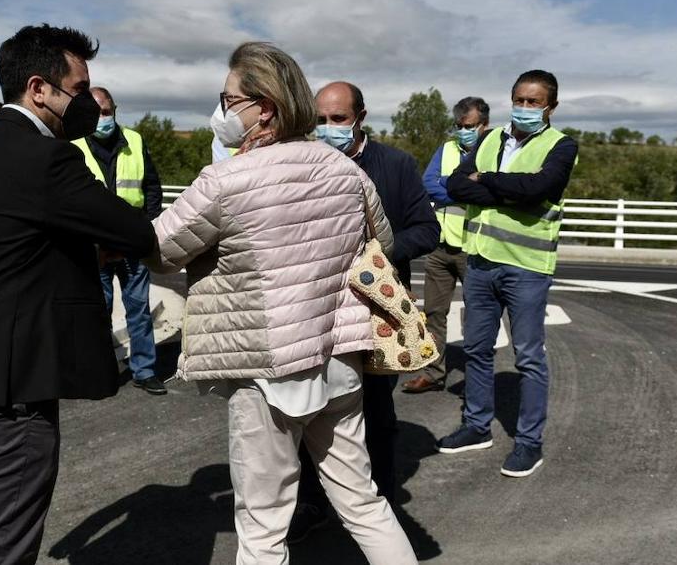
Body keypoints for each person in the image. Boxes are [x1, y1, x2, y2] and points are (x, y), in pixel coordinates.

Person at [147, 42, 418, 565]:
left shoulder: (225, 180)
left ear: (263, 107)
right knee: (363, 502)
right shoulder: (345, 170)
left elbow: (160, 252)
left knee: (263, 527)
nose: (223, 111)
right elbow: (379, 240)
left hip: (266, 373)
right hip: (341, 361)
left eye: (229, 100)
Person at [0, 24, 156, 564]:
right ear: (39, 89)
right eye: (80, 88)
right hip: (11, 390)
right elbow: (136, 232)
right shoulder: (46, 159)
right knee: (3, 549)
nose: (89, 104)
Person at [288, 81, 438, 540]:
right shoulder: (302, 164)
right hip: (316, 312)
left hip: (377, 314)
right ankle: (310, 501)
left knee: (375, 413)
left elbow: (426, 229)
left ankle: (383, 507)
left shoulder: (394, 165)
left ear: (360, 116)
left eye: (337, 119)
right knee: (307, 407)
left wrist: (378, 256)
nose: (328, 128)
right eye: (319, 120)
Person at [435, 70, 577, 479]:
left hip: (526, 267)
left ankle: (529, 443)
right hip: (479, 261)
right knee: (477, 349)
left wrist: (490, 182)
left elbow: (540, 189)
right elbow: (457, 185)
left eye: (534, 102)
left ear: (551, 106)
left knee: (528, 357)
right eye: (520, 99)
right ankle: (477, 426)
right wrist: (506, 188)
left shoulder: (561, 146)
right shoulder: (490, 138)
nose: (525, 107)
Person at [71, 87, 167, 395]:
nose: (103, 118)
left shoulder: (135, 141)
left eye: (107, 111)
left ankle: (144, 370)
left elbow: (152, 186)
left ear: (115, 110)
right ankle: (101, 372)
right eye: (96, 112)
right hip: (93, 245)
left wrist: (149, 227)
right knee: (97, 311)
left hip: (130, 242)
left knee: (138, 309)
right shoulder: (72, 146)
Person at [404, 96, 491, 395]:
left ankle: (477, 382)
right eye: (458, 125)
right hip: (441, 246)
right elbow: (428, 184)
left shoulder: (493, 150)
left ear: (484, 125)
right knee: (434, 313)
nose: (462, 130)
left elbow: (492, 189)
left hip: (474, 247)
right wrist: (466, 188)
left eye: (469, 126)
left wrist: (450, 187)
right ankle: (432, 373)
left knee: (478, 315)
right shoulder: (447, 149)